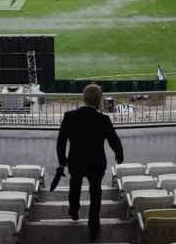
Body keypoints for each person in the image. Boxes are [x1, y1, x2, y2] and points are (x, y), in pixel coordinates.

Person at [57, 84, 124, 242]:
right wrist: (119, 154)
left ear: (84, 98)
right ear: (98, 100)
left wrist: (62, 160)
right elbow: (114, 140)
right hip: (96, 163)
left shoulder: (69, 116)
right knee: (96, 193)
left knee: (75, 184)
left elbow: (61, 142)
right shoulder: (103, 119)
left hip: (76, 161)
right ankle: (93, 224)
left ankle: (74, 209)